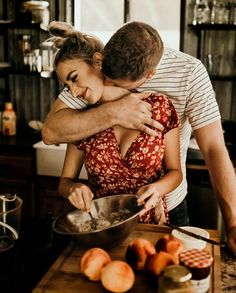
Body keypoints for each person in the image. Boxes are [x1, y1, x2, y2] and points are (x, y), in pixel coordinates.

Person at [42, 21, 236, 255]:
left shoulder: (185, 78)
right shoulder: (91, 79)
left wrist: (233, 223)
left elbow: (214, 149)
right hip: (104, 220)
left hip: (165, 213)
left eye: (116, 84)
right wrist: (114, 112)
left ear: (149, 76)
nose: (108, 86)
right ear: (100, 60)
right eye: (106, 78)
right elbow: (51, 132)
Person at [49, 21, 182, 223]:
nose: (74, 92)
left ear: (98, 62)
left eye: (74, 78)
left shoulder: (160, 106)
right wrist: (73, 189)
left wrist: (158, 188)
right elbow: (64, 183)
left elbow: (175, 172)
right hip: (102, 226)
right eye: (67, 86)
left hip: (151, 226)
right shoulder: (81, 120)